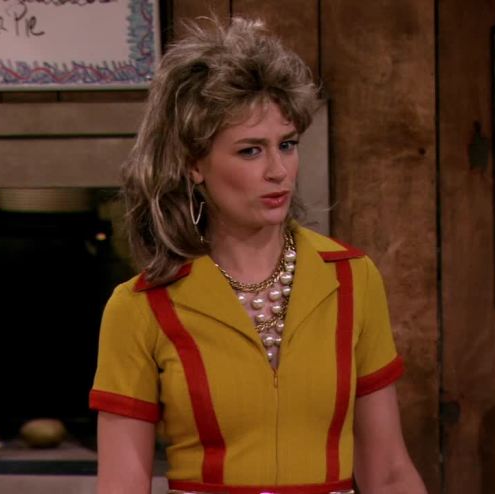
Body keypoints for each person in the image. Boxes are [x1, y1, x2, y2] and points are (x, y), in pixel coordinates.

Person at [89, 16, 427, 494]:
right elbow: (121, 487)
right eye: (250, 151)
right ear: (193, 164)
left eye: (286, 145)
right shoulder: (142, 306)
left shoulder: (350, 278)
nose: (278, 171)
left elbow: (389, 472)